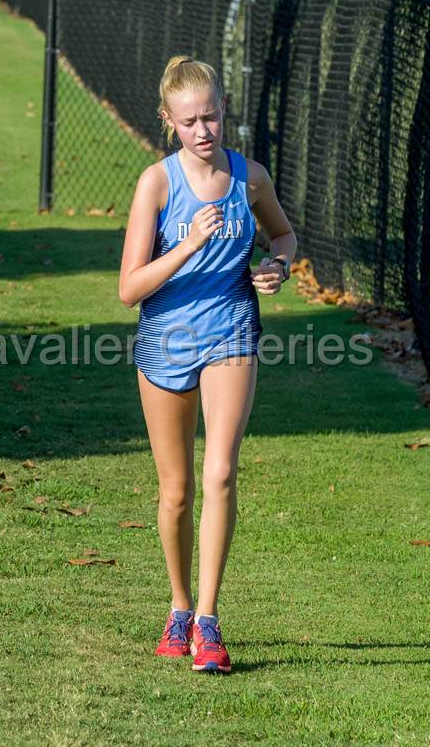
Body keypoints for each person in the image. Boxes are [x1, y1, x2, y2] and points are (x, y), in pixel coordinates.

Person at [118, 56, 297, 673]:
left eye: (213, 116)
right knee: (175, 491)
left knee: (219, 471)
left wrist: (279, 267)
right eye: (190, 120)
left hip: (231, 329)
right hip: (164, 339)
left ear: (225, 112)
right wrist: (189, 242)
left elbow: (284, 236)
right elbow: (129, 287)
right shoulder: (157, 184)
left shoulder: (250, 178)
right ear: (168, 121)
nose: (204, 131)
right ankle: (178, 605)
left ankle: (210, 622)